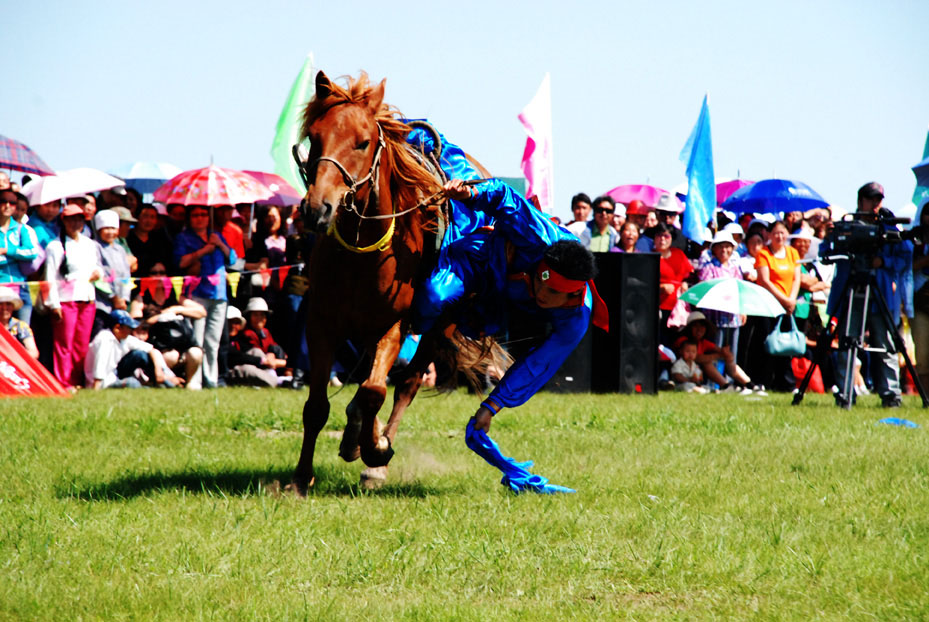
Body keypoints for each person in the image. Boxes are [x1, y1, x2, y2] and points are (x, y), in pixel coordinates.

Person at [413, 178, 607, 435]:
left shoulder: (576, 318)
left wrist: (493, 405)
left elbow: (539, 362)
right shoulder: (539, 236)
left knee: (476, 325)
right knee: (434, 296)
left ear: (570, 296)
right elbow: (505, 196)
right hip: (485, 257)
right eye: (542, 282)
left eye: (552, 293)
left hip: (504, 303)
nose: (543, 293)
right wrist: (469, 194)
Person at [829, 182, 912, 408]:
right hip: (853, 292)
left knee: (886, 344)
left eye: (879, 199)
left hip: (881, 294)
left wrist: (882, 261)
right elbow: (829, 250)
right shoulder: (848, 226)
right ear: (860, 201)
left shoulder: (888, 227)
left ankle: (891, 394)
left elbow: (905, 257)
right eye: (871, 199)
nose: (875, 204)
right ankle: (846, 393)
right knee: (848, 342)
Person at [173, 205, 237, 388]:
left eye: (203, 214)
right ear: (189, 219)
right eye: (195, 215)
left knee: (213, 341)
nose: (200, 218)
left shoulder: (216, 235)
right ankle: (195, 380)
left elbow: (232, 259)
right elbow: (181, 262)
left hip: (219, 294)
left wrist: (220, 244)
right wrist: (204, 251)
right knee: (198, 340)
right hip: (197, 294)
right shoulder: (183, 238)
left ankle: (211, 380)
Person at [44, 202, 103, 389]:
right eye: (72, 220)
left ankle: (79, 380)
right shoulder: (55, 246)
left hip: (86, 298)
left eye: (79, 219)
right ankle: (64, 381)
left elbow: (97, 267)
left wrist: (98, 273)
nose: (76, 223)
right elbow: (49, 276)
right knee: (64, 343)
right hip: (65, 300)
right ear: (64, 221)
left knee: (81, 343)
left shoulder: (89, 244)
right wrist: (53, 304)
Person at [84, 309, 177, 389]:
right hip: (104, 382)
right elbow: (100, 367)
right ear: (117, 328)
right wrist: (96, 389)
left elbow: (152, 350)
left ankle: (169, 383)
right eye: (128, 328)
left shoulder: (124, 338)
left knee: (141, 355)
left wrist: (160, 372)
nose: (131, 331)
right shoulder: (104, 339)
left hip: (114, 374)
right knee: (133, 383)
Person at [675, 311, 752, 392]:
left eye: (702, 326)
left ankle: (750, 384)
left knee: (728, 362)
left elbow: (724, 353)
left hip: (697, 374)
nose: (699, 329)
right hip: (683, 375)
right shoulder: (683, 340)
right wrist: (719, 355)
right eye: (695, 326)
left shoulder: (703, 342)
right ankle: (726, 386)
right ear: (689, 328)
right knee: (707, 362)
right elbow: (696, 358)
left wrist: (726, 353)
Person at [92, 210, 133, 337]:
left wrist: (124, 298)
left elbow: (126, 276)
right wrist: (113, 297)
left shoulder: (120, 249)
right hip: (102, 304)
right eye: (106, 228)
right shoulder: (95, 247)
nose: (110, 232)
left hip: (120, 303)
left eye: (113, 228)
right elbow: (98, 276)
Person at [0, 188, 38, 324]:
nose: (8, 206)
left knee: (23, 331)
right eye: (3, 201)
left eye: (12, 202)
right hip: (1, 287)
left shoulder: (22, 229)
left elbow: (32, 252)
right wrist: (18, 255)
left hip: (21, 288)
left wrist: (6, 251)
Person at [654, 223, 694, 345]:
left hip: (679, 307)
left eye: (666, 236)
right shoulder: (650, 257)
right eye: (659, 236)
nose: (662, 239)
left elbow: (690, 274)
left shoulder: (679, 254)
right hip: (660, 308)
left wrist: (685, 283)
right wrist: (661, 288)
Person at [225, 304, 282, 387]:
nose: (233, 326)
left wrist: (270, 356)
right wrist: (262, 360)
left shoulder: (239, 338)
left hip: (262, 364)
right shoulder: (246, 335)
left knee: (256, 351)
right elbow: (236, 356)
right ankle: (279, 382)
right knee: (248, 368)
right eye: (229, 322)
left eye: (236, 322)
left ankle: (273, 377)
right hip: (229, 372)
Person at [127, 204, 173, 277]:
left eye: (152, 217)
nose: (149, 221)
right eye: (145, 216)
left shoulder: (160, 239)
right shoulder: (128, 238)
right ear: (136, 218)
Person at [0, 286, 39, 358]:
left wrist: (16, 359)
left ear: (13, 306)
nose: (4, 308)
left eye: (8, 304)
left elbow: (33, 352)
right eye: (0, 304)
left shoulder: (21, 326)